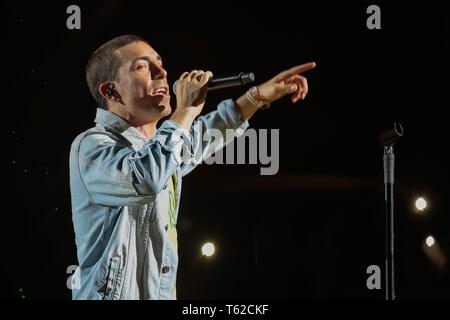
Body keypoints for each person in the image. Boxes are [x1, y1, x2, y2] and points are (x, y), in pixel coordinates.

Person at [69, 34, 316, 300]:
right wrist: (184, 110)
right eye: (142, 66)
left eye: (159, 64)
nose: (161, 72)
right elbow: (145, 179)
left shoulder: (159, 150)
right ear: (110, 91)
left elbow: (202, 138)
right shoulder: (92, 146)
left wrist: (255, 96)